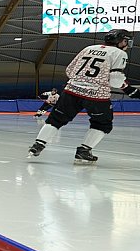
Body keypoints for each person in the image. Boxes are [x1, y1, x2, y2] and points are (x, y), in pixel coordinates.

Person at [29, 30, 138, 164]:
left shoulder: (89, 48)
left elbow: (69, 71)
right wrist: (128, 89)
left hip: (71, 91)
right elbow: (115, 81)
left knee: (56, 119)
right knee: (102, 124)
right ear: (122, 41)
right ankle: (84, 151)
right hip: (97, 96)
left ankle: (38, 144)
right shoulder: (119, 53)